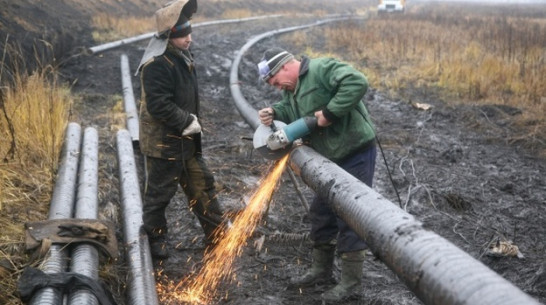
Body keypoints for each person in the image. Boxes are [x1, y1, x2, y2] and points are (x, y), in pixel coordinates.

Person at [257, 47, 377, 302]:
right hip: (329, 158)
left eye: (275, 81)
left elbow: (357, 82)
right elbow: (293, 111)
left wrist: (330, 113)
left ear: (286, 67)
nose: (277, 87)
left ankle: (350, 283)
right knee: (321, 213)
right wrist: (275, 112)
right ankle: (321, 270)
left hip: (354, 152)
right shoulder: (292, 89)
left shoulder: (322, 69)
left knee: (351, 215)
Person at [136, 0, 227, 259]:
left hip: (187, 139)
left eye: (190, 33)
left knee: (203, 186)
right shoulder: (156, 65)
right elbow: (158, 105)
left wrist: (191, 122)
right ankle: (156, 238)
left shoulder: (183, 55)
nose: (190, 39)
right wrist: (187, 120)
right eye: (183, 36)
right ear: (169, 37)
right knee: (159, 194)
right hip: (164, 142)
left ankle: (218, 235)